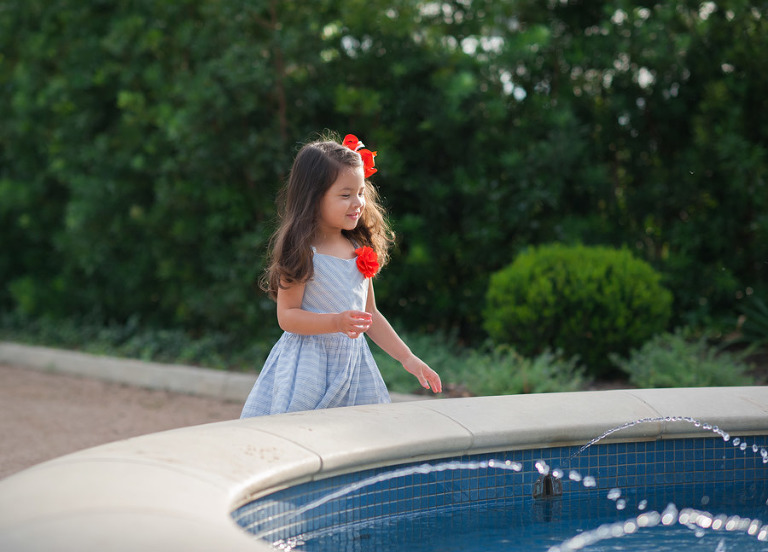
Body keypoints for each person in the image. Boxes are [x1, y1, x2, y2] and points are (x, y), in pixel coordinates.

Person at [240, 132, 442, 418]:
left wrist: (407, 358)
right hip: (307, 367)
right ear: (313, 198)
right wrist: (336, 321)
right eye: (345, 195)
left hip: (352, 367)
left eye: (360, 192)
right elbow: (287, 316)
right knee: (303, 434)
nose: (358, 202)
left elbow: (370, 314)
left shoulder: (358, 247)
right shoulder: (302, 250)